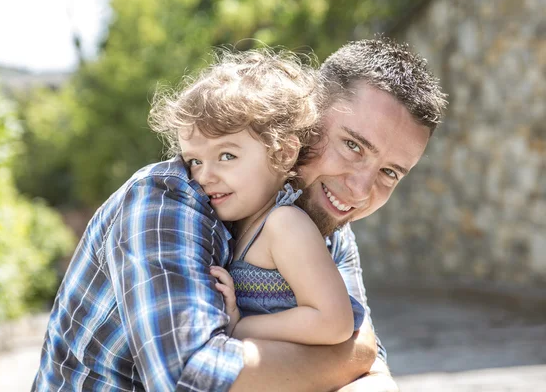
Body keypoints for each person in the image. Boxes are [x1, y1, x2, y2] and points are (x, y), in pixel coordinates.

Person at [32, 38, 447, 392]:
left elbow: (371, 368)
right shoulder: (165, 202)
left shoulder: (326, 222)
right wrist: (346, 358)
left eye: (389, 173)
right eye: (353, 146)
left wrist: (351, 357)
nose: (358, 189)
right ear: (307, 121)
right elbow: (189, 376)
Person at [150, 49, 366, 345]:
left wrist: (239, 328)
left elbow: (334, 322)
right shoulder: (236, 226)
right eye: (195, 161)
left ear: (283, 153)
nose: (203, 176)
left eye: (226, 155)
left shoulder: (285, 224)